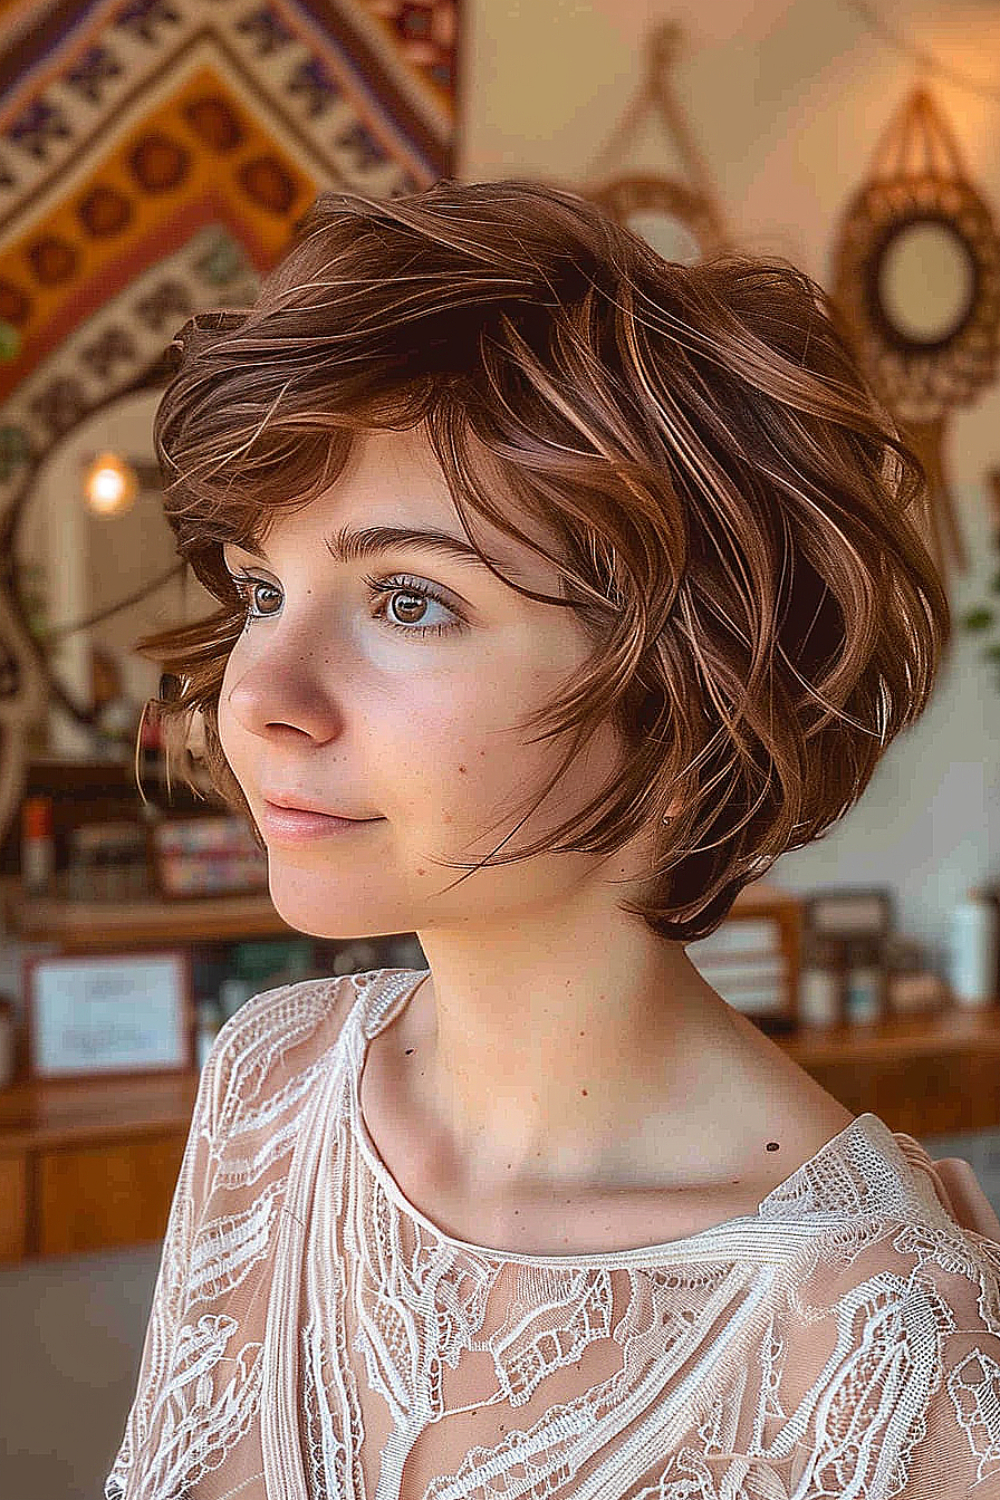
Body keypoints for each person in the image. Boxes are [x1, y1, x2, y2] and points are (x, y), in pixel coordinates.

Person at [107, 179, 1000, 1500]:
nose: (258, 697)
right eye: (262, 590)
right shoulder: (270, 1086)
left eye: (409, 600)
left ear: (691, 689)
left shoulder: (886, 1349)